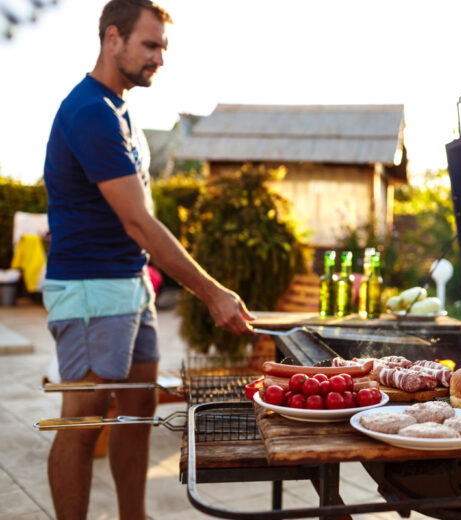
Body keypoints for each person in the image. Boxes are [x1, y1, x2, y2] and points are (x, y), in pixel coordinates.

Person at [42, 1, 254, 518]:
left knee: (136, 411)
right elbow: (138, 221)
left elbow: (133, 226)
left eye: (163, 47)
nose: (160, 57)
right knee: (82, 420)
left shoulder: (119, 107)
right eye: (151, 44)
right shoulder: (90, 111)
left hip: (132, 285)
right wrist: (212, 292)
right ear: (112, 38)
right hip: (91, 288)